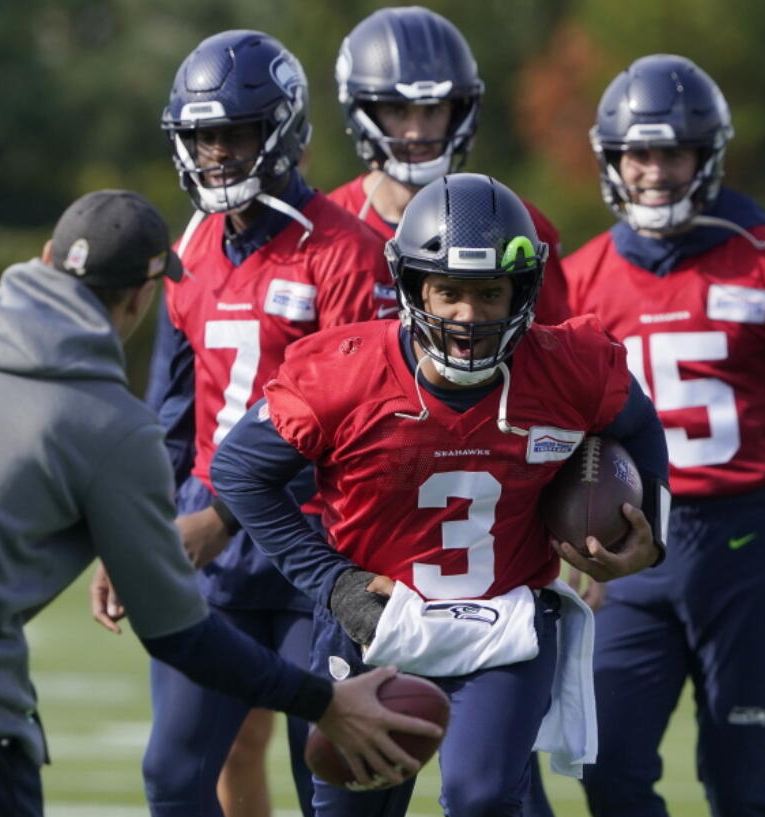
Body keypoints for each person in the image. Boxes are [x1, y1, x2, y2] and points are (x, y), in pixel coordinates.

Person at [0, 189, 440, 817]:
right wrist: (320, 701)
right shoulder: (111, 424)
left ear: (45, 258)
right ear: (143, 297)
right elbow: (179, 633)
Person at [209, 173, 671, 817]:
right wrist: (331, 581)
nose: (468, 315)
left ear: (523, 289)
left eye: (489, 293)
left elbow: (639, 422)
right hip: (375, 627)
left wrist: (649, 525)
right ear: (411, 286)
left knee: (481, 799)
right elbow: (237, 471)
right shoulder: (344, 370)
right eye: (448, 292)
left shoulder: (571, 366)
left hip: (504, 624)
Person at [560, 55, 765, 817]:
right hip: (628, 545)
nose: (653, 171)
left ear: (705, 156)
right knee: (606, 771)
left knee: (739, 784)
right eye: (638, 153)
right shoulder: (580, 279)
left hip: (745, 538)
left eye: (671, 151)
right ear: (612, 159)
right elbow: (549, 426)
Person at [87, 31, 397, 817]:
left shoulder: (348, 253)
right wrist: (135, 533)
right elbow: (170, 414)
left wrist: (224, 515)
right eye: (202, 135)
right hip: (214, 559)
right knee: (176, 770)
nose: (217, 152)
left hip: (319, 552)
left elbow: (358, 422)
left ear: (283, 130)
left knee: (333, 773)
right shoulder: (190, 247)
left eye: (235, 131)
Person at [327, 5, 571, 326]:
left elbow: (552, 355)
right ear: (364, 112)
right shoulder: (325, 231)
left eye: (433, 110)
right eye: (398, 111)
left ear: (459, 111)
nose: (416, 132)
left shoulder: (518, 225)